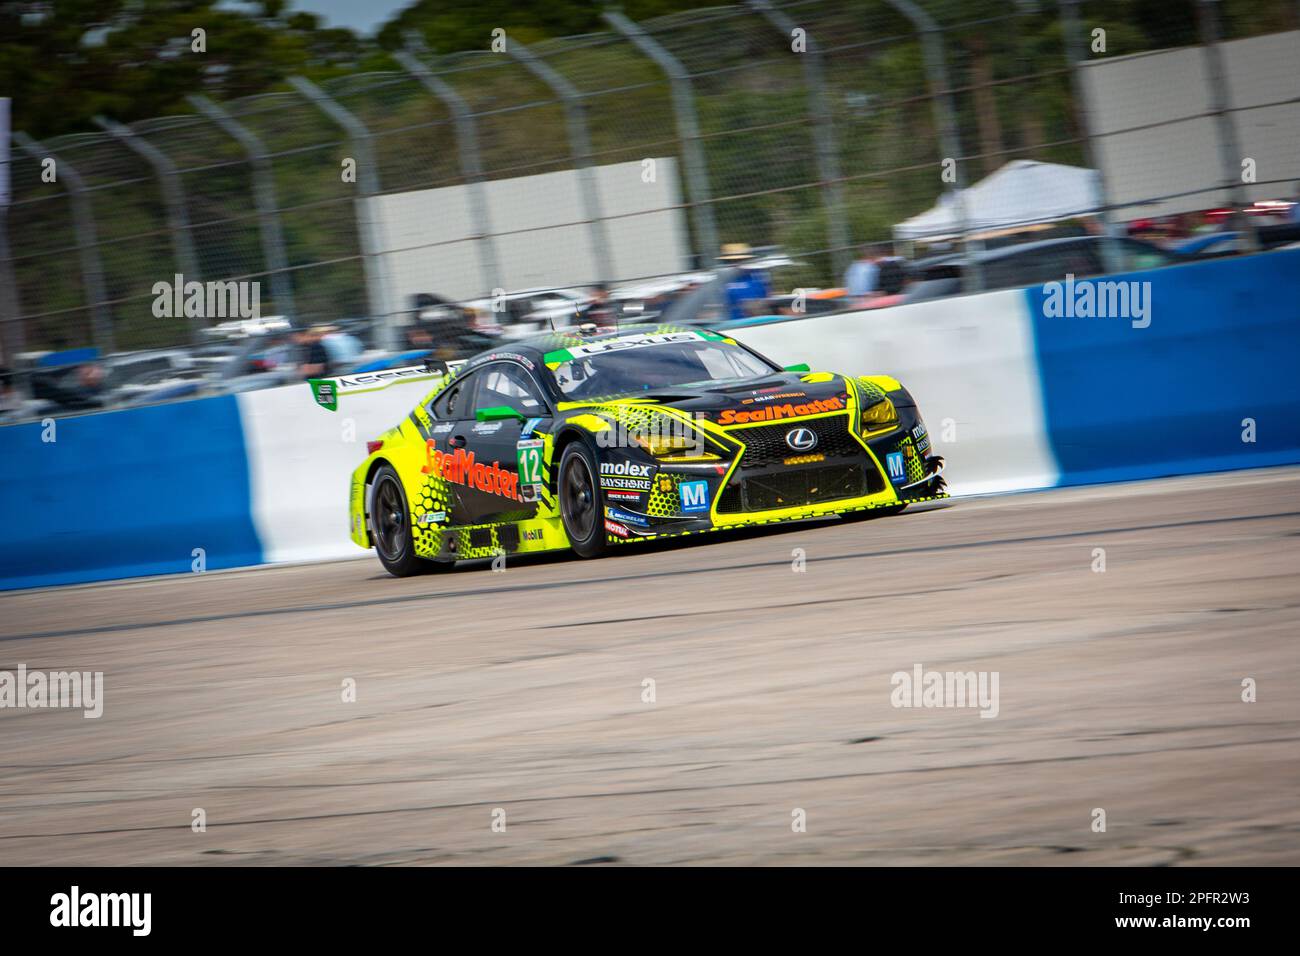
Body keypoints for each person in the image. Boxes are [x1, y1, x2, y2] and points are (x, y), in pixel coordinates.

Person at [718, 243, 770, 322]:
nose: (736, 264)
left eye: (740, 260)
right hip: (729, 323)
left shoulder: (757, 278)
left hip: (753, 322)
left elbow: (765, 299)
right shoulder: (721, 280)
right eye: (730, 261)